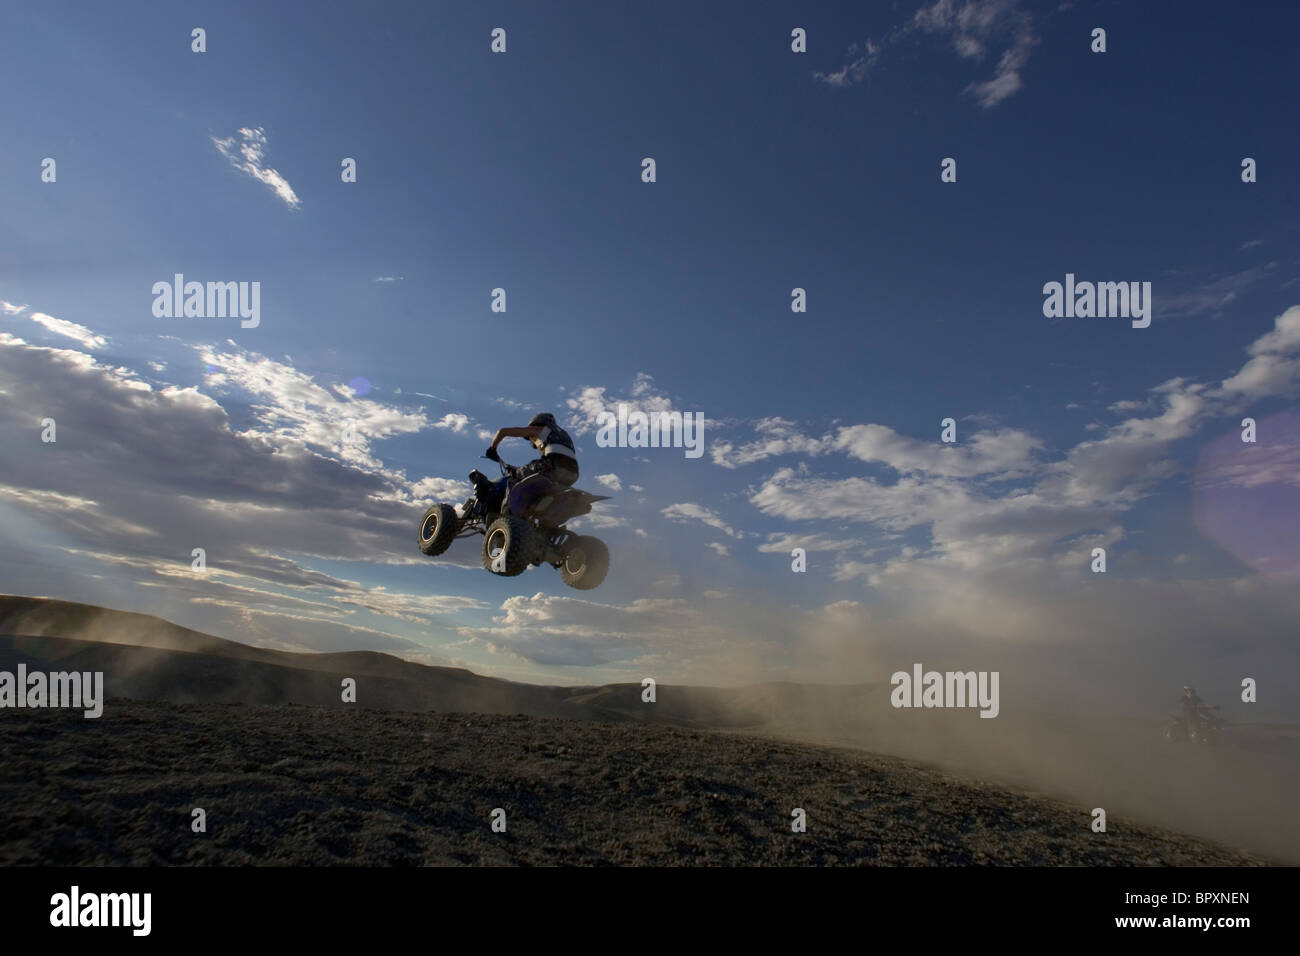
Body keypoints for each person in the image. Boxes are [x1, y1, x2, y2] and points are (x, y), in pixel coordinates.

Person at [484, 412, 580, 517]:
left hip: (552, 466)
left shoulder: (540, 429)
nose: (533, 441)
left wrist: (492, 449)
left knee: (514, 476)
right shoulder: (563, 434)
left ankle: (506, 516)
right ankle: (541, 523)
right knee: (542, 492)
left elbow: (503, 432)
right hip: (573, 473)